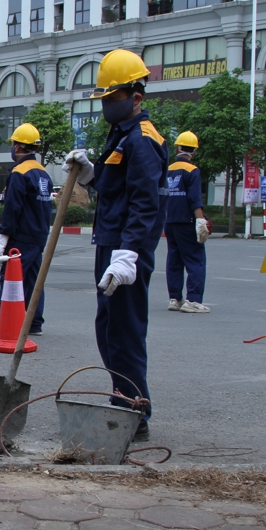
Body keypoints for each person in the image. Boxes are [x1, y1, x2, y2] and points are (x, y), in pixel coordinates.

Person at [64, 48, 168, 442]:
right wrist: (91, 174)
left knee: (124, 331)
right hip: (110, 242)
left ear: (136, 97)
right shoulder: (121, 135)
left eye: (113, 98)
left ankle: (135, 412)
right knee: (108, 328)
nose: (107, 105)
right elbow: (114, 191)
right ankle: (123, 398)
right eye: (104, 99)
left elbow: (145, 204)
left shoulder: (143, 140)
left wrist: (130, 255)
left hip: (126, 250)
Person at [0, 123, 53, 337]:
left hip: (21, 236)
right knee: (33, 280)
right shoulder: (43, 173)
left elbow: (13, 208)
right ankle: (34, 321)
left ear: (18, 147)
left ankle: (1, 323)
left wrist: (3, 236)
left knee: (11, 278)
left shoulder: (19, 173)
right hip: (38, 236)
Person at [165, 131, 210, 313]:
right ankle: (193, 300)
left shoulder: (167, 169)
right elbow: (194, 198)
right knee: (195, 259)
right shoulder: (193, 170)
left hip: (169, 221)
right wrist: (201, 220)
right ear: (195, 152)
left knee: (174, 260)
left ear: (177, 148)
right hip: (186, 221)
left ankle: (175, 298)